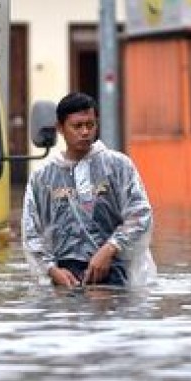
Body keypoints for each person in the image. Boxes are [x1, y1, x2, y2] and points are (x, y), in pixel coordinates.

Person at [22, 92, 156, 288]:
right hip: (63, 278)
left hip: (114, 272)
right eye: (77, 126)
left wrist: (110, 249)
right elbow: (31, 232)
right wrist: (52, 270)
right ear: (60, 128)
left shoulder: (117, 166)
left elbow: (140, 214)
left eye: (90, 125)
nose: (85, 132)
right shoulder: (42, 177)